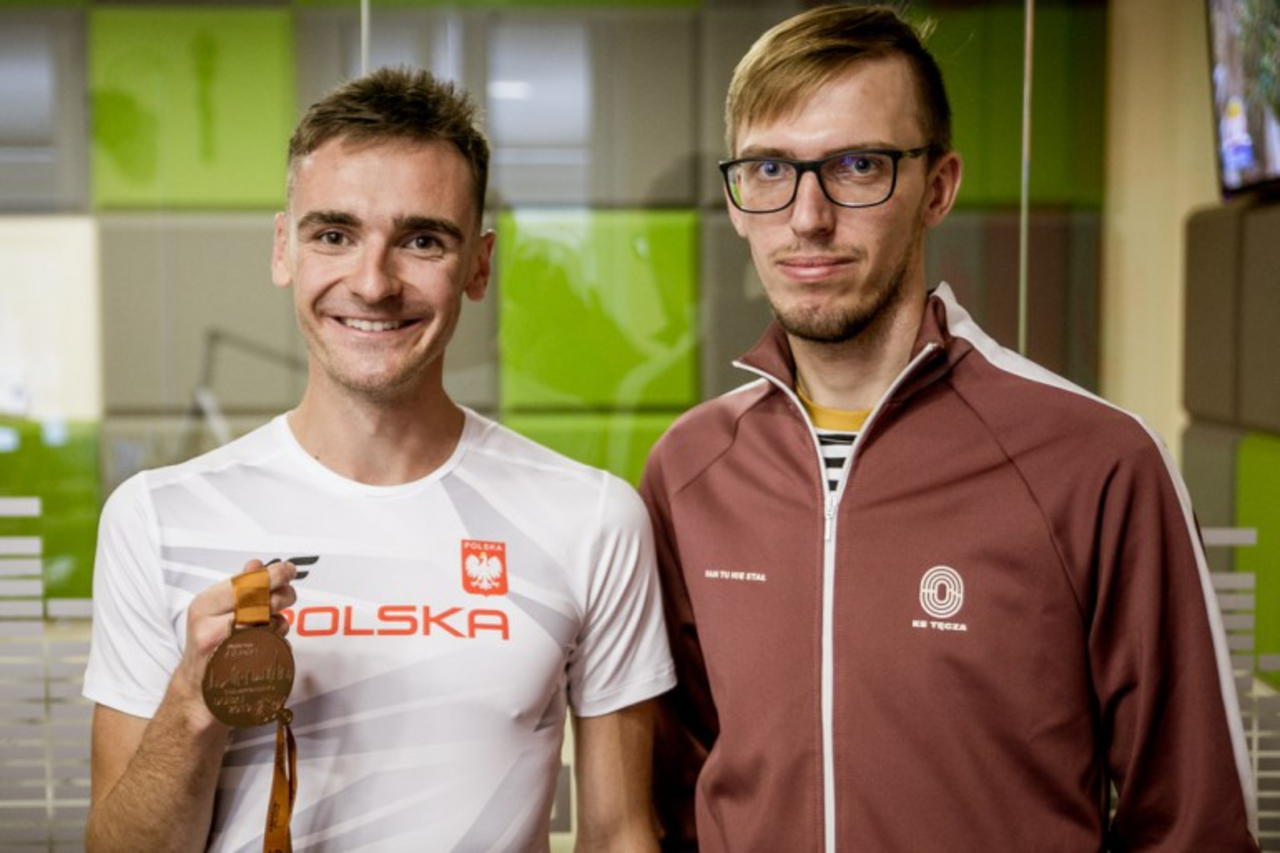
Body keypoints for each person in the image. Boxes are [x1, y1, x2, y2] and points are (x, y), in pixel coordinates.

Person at [639, 5, 1261, 852]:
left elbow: (1192, 824)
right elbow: (672, 800)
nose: (808, 216)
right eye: (771, 169)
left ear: (938, 187)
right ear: (737, 200)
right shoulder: (690, 470)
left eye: (858, 165)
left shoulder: (1098, 464)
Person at [82, 66, 675, 853]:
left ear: (479, 265)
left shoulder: (592, 518)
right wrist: (193, 702)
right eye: (334, 235)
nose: (371, 283)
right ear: (284, 249)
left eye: (422, 240)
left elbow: (621, 833)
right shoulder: (157, 516)